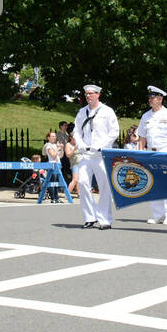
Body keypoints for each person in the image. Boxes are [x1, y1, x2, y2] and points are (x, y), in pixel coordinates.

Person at [72, 85, 119, 229]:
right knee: (83, 183)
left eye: (91, 94)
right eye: (86, 94)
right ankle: (90, 217)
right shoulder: (82, 112)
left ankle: (105, 219)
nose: (88, 96)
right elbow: (77, 131)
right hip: (86, 155)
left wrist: (101, 145)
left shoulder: (107, 111)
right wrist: (80, 144)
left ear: (98, 94)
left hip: (101, 154)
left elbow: (114, 132)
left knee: (104, 186)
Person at [137, 86, 167, 225]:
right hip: (151, 152)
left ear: (160, 99)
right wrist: (141, 152)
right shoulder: (146, 116)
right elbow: (142, 137)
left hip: (165, 151)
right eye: (149, 97)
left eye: (153, 97)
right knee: (153, 184)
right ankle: (157, 214)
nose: (150, 99)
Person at [41, 130, 63, 203]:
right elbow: (53, 156)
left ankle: (56, 198)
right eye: (52, 136)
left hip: (57, 165)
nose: (54, 137)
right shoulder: (48, 145)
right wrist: (57, 148)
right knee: (52, 182)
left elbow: (60, 156)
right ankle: (53, 198)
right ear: (48, 138)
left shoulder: (54, 145)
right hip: (52, 165)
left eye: (55, 136)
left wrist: (61, 148)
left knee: (57, 182)